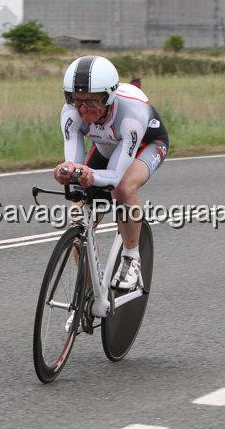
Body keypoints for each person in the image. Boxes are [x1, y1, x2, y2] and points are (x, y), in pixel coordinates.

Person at [53, 55, 169, 290]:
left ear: (109, 98)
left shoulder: (131, 116)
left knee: (123, 188)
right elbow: (76, 165)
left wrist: (91, 176)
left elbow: (114, 176)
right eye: (77, 100)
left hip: (147, 144)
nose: (83, 108)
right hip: (108, 144)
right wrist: (68, 171)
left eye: (92, 101)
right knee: (78, 216)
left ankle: (131, 257)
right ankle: (87, 294)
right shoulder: (71, 113)